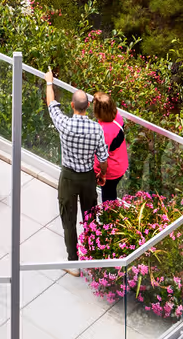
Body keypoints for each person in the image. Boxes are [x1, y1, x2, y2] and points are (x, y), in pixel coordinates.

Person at [45, 70, 105, 267]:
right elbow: (103, 158)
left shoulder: (65, 125)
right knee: (90, 218)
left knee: (69, 221)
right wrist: (101, 175)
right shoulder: (97, 129)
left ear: (72, 106)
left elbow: (51, 105)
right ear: (88, 106)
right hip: (88, 178)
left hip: (69, 178)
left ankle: (74, 262)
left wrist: (49, 82)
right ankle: (91, 257)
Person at [93, 95, 129, 204]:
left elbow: (101, 156)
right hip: (120, 163)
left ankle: (109, 218)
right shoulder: (117, 117)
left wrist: (98, 173)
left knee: (108, 198)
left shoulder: (104, 131)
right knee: (111, 193)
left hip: (111, 170)